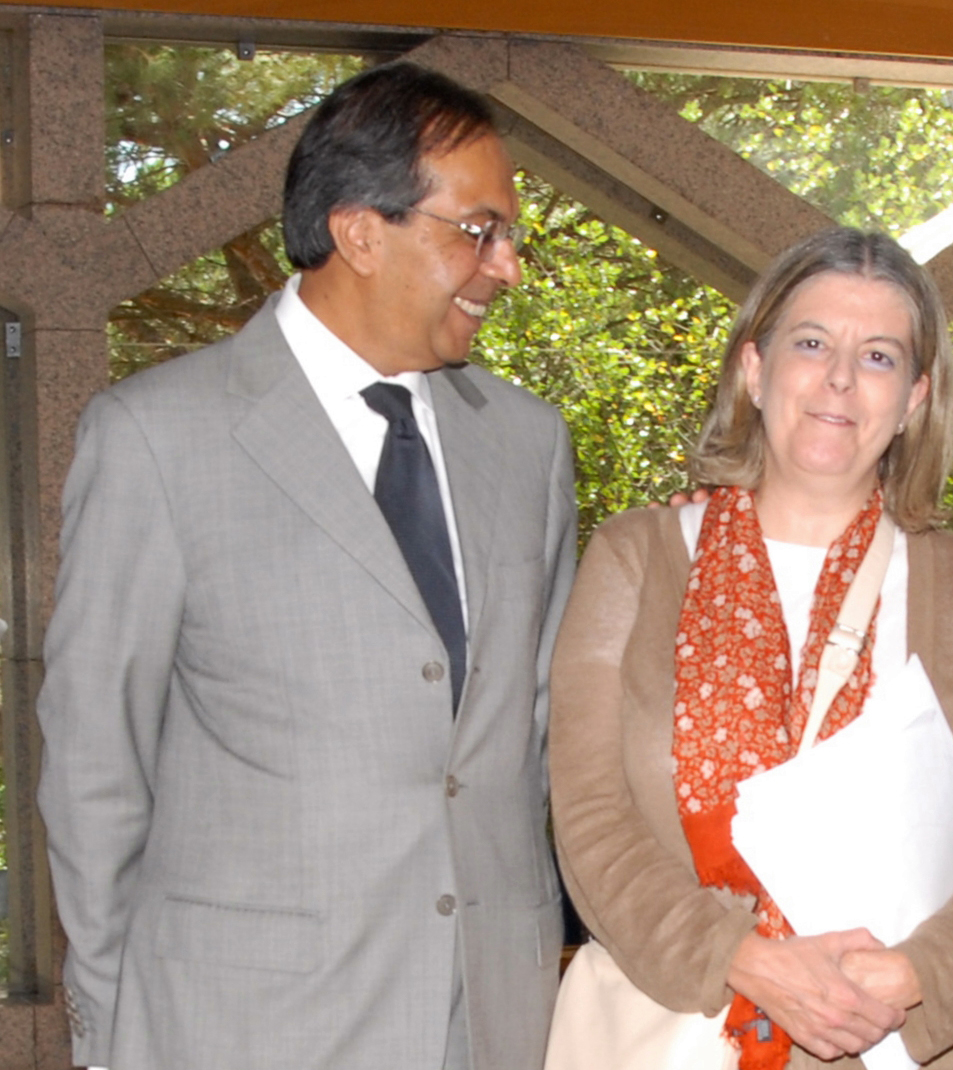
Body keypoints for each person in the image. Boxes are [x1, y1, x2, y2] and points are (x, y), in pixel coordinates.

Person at [36, 62, 575, 1070]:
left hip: (485, 1021)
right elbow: (94, 767)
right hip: (236, 1029)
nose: (505, 266)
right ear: (361, 229)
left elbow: (536, 731)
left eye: (509, 237)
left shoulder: (529, 446)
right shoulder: (157, 437)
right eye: (479, 230)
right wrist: (117, 1031)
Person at [550, 227, 953, 1070]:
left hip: (892, 1041)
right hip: (666, 1035)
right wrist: (741, 960)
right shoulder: (635, 558)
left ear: (913, 399)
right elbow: (590, 817)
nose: (838, 379)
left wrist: (906, 979)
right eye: (812, 343)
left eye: (879, 357)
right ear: (754, 370)